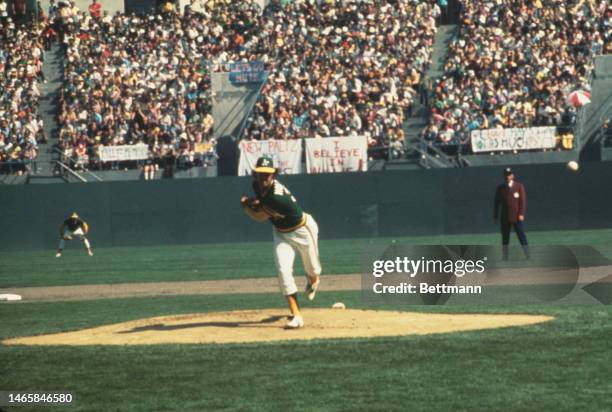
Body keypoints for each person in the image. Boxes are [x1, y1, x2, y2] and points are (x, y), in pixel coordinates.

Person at [240, 156, 321, 329]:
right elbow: (261, 203)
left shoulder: (276, 198)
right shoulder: (257, 185)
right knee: (283, 271)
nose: (263, 178)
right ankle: (296, 315)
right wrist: (255, 202)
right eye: (260, 174)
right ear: (255, 175)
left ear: (274, 175)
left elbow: (259, 217)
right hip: (281, 233)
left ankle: (313, 279)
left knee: (313, 269)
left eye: (267, 175)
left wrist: (247, 206)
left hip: (303, 230)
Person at [494, 168, 529, 259]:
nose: (507, 176)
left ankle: (527, 254)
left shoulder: (519, 186)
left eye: (509, 174)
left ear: (512, 176)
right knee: (505, 237)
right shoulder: (500, 188)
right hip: (505, 216)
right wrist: (496, 216)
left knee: (521, 235)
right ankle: (505, 256)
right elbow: (496, 203)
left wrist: (521, 213)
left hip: (517, 216)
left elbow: (523, 202)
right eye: (506, 175)